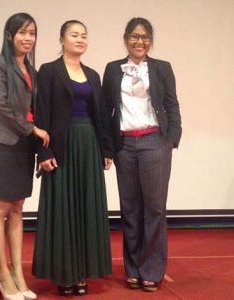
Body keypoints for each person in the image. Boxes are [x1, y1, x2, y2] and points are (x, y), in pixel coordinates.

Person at [32, 20, 113, 296]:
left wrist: (106, 149)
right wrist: (43, 152)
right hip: (61, 146)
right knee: (63, 209)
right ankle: (64, 274)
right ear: (62, 39)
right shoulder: (49, 71)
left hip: (88, 143)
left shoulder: (92, 74)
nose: (80, 39)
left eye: (84, 36)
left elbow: (100, 115)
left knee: (86, 208)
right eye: (74, 35)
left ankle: (82, 272)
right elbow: (40, 112)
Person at [102, 17, 182, 292]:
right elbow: (105, 111)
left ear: (151, 41)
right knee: (131, 209)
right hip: (125, 144)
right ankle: (133, 269)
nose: (140, 42)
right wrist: (108, 147)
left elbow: (172, 104)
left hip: (154, 142)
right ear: (126, 39)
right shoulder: (113, 69)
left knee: (155, 209)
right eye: (135, 37)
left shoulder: (162, 68)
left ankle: (151, 270)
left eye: (145, 37)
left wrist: (171, 139)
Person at [0, 13, 49, 300]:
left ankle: (18, 274)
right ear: (10, 35)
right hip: (5, 141)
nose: (28, 38)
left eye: (32, 33)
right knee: (0, 209)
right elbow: (1, 107)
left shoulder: (33, 72)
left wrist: (36, 137)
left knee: (18, 209)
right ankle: (2, 275)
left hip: (24, 145)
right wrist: (32, 128)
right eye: (22, 32)